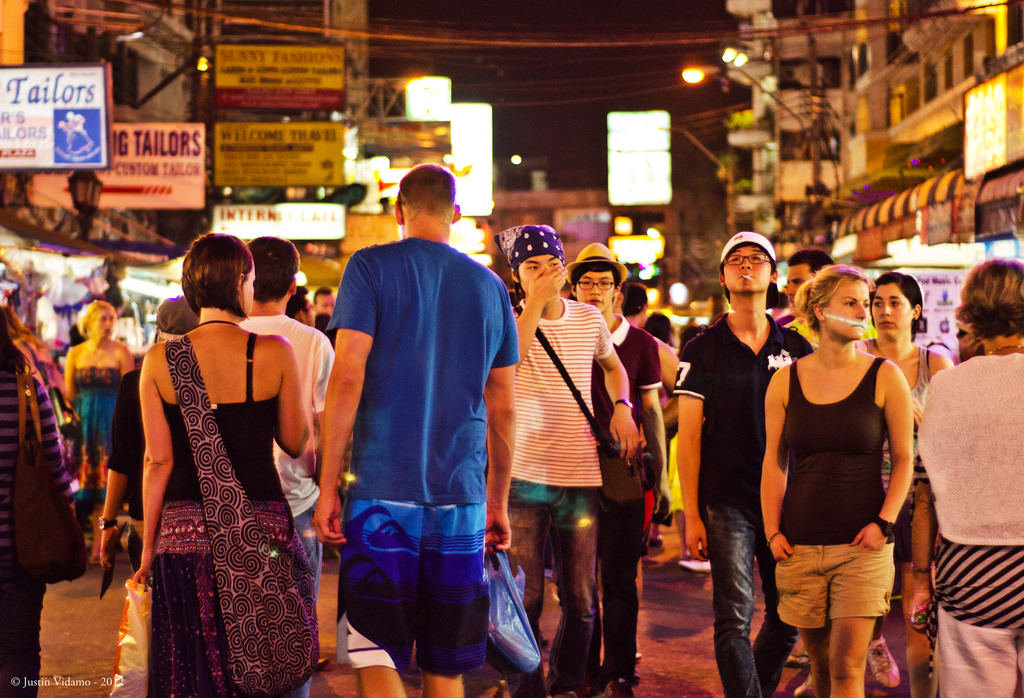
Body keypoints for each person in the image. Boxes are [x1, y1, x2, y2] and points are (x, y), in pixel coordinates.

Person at [313, 164, 518, 698]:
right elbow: (503, 408)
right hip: (463, 499)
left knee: (374, 649)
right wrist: (497, 502)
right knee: (445, 663)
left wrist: (329, 484)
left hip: (381, 496)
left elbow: (348, 375)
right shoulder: (490, 286)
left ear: (397, 209)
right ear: (455, 213)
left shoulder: (369, 268)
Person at [133, 234, 313, 695]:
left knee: (191, 676)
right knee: (262, 666)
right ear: (240, 282)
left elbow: (157, 462)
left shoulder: (157, 361)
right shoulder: (273, 351)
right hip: (260, 533)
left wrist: (150, 547)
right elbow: (295, 442)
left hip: (182, 541)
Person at [497, 224, 639, 698]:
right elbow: (506, 364)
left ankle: (567, 683)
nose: (542, 274)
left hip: (580, 476)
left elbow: (614, 368)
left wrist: (623, 406)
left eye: (549, 265)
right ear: (516, 276)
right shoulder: (510, 320)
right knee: (527, 597)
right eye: (530, 267)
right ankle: (527, 688)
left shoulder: (588, 319)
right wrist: (533, 305)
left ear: (563, 268)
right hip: (523, 479)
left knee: (581, 599)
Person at [762, 265, 914, 698]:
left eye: (865, 304)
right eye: (852, 303)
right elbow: (774, 463)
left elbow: (904, 458)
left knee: (848, 667)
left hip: (862, 545)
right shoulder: (784, 381)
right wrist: (772, 531)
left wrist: (883, 524)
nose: (864, 312)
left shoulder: (885, 376)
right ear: (820, 310)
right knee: (823, 668)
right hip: (801, 543)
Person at [674, 232, 813, 698]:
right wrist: (691, 514)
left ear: (774, 276)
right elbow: (688, 439)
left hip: (787, 503)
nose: (746, 266)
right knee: (733, 616)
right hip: (726, 500)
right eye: (736, 260)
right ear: (723, 277)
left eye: (757, 259)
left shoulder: (796, 349)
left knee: (788, 614)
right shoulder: (701, 349)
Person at [912, 258, 1024, 697]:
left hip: (972, 580)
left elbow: (925, 496)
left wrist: (921, 578)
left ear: (971, 316)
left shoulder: (948, 387)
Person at [568, 244, 665, 697]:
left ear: (618, 292)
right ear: (573, 287)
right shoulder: (563, 335)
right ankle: (583, 668)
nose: (594, 290)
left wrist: (661, 477)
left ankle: (620, 669)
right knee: (578, 582)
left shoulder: (641, 345)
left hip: (625, 476)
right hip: (569, 474)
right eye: (586, 281)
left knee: (620, 578)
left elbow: (653, 410)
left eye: (604, 282)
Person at [242, 237, 335, 696]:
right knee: (296, 625)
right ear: (295, 285)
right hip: (297, 502)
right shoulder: (313, 342)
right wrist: (330, 494)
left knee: (240, 626)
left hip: (231, 503)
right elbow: (327, 428)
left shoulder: (218, 336)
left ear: (246, 277)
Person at [861, 271, 952, 697]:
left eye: (894, 303)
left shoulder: (936, 363)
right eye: (877, 303)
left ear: (916, 311)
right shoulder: (857, 357)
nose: (883, 311)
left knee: (919, 593)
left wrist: (924, 420)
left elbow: (957, 430)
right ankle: (873, 643)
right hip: (869, 492)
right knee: (872, 592)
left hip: (924, 496)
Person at [0, 307, 72, 695]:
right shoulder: (27, 387)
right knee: (18, 651)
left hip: (18, 549)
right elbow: (54, 463)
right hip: (20, 547)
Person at [99, 297, 199, 573]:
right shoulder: (212, 382)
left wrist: (108, 522)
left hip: (147, 515)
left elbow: (121, 459)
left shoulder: (134, 382)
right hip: (202, 513)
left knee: (153, 609)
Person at [64, 299, 134, 562]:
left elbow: (130, 393)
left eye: (111, 318)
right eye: (103, 318)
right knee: (84, 486)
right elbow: (69, 393)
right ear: (90, 322)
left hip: (110, 421)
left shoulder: (121, 351)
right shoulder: (76, 353)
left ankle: (100, 543)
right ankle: (87, 543)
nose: (108, 324)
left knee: (107, 485)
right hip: (84, 424)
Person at [778, 248, 834, 339]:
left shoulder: (854, 328)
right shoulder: (784, 335)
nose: (789, 292)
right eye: (788, 283)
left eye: (798, 282)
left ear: (825, 282)